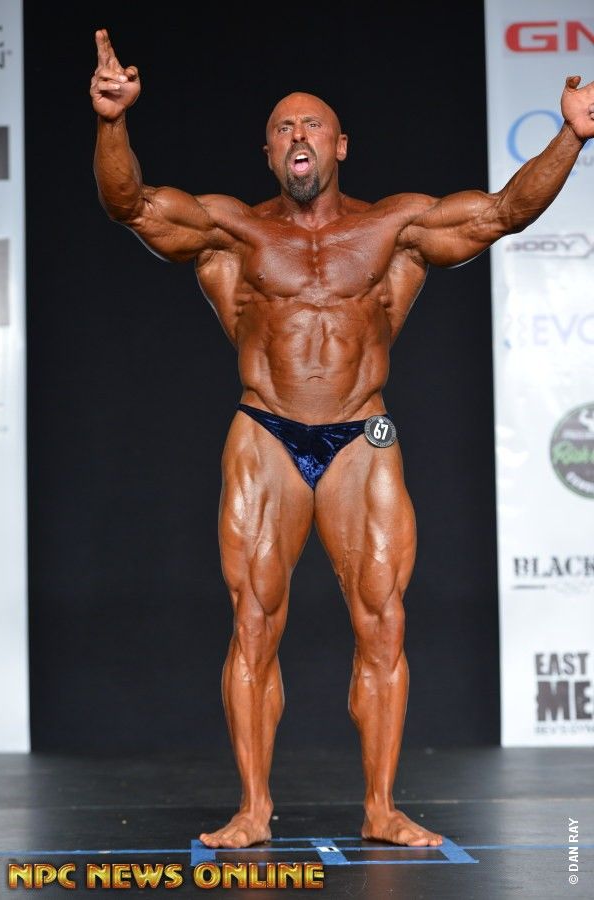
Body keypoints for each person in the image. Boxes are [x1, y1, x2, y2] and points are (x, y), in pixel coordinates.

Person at [90, 27, 594, 850]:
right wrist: (113, 122)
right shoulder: (233, 232)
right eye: (283, 127)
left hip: (364, 432)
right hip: (265, 429)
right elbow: (131, 205)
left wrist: (571, 136)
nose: (298, 135)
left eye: (312, 124)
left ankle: (381, 808)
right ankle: (254, 808)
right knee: (255, 621)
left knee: (383, 621)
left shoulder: (395, 228)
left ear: (340, 145)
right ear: (267, 152)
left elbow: (505, 212)